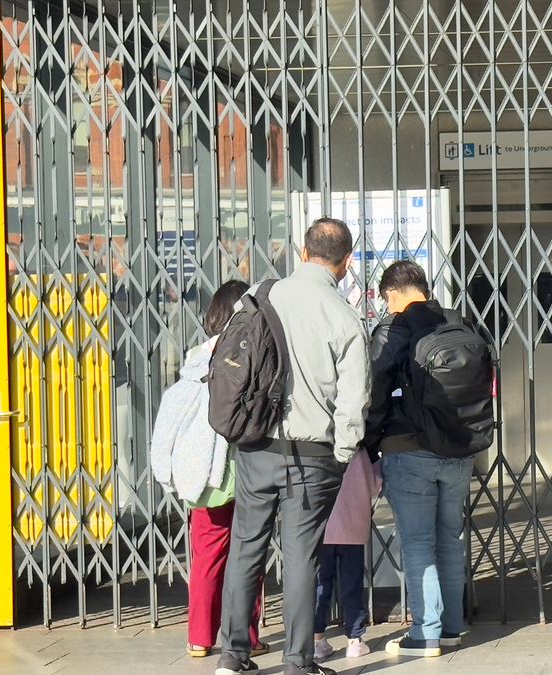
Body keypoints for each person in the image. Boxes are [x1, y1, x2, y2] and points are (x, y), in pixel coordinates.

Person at [216, 218, 371, 675]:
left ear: (302, 252)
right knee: (302, 555)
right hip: (314, 457)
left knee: (246, 547)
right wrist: (343, 455)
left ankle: (232, 656)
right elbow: (354, 399)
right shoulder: (344, 317)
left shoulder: (262, 296)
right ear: (345, 263)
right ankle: (297, 663)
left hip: (257, 447)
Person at [365, 260, 480, 658]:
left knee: (417, 542)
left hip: (408, 449)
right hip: (459, 449)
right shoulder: (458, 323)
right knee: (449, 538)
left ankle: (425, 633)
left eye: (386, 299)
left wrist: (369, 439)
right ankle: (450, 628)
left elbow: (376, 388)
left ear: (393, 293)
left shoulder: (394, 329)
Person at [149, 280, 269, 660]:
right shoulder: (248, 354)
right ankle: (247, 635)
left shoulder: (194, 364)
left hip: (206, 481)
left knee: (206, 560)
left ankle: (200, 636)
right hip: (247, 475)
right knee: (249, 558)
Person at [312, 450, 383, 662]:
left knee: (321, 586)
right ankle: (355, 640)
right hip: (353, 530)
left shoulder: (317, 450)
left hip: (322, 531)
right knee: (351, 585)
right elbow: (373, 486)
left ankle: (317, 640)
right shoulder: (357, 452)